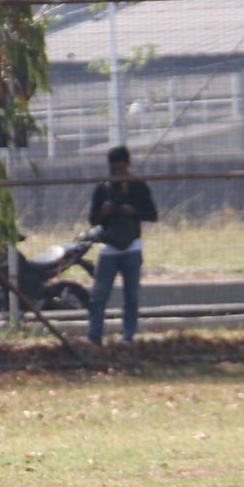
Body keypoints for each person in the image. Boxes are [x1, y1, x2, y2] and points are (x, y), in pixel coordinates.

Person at [87, 145, 157, 345]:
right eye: (113, 169)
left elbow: (152, 214)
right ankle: (94, 336)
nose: (117, 173)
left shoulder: (138, 187)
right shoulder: (102, 188)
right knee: (99, 294)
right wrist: (104, 213)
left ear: (128, 165)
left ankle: (128, 335)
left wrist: (133, 211)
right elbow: (93, 219)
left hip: (132, 247)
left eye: (121, 168)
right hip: (108, 249)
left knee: (131, 294)